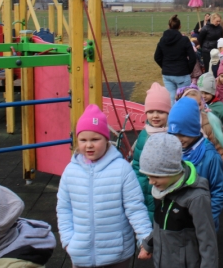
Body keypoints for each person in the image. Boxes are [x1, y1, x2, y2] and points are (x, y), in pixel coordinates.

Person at [57, 104, 152, 268]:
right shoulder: (70, 171)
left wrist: (145, 238)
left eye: (95, 139)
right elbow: (64, 208)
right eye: (83, 140)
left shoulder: (121, 169)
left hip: (117, 253)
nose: (89, 145)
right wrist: (68, 241)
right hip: (81, 253)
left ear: (106, 140)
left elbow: (135, 206)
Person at [139, 133, 219, 267]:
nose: (151, 182)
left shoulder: (196, 197)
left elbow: (207, 241)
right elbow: (159, 225)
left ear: (172, 170)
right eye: (148, 176)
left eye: (156, 176)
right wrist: (148, 244)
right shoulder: (161, 189)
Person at [167, 97, 223, 231]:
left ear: (194, 129)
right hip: (179, 223)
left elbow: (219, 193)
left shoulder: (210, 157)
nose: (178, 139)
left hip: (202, 225)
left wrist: (206, 221)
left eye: (183, 134)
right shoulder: (173, 151)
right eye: (174, 134)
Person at [132, 82, 172, 221]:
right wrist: (138, 186)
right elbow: (137, 164)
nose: (155, 116)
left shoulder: (172, 134)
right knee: (149, 216)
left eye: (160, 112)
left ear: (168, 112)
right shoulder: (144, 136)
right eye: (150, 112)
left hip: (167, 186)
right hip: (147, 186)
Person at [182, 88, 223, 175]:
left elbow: (218, 146)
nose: (197, 108)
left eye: (199, 104)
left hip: (209, 166)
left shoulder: (207, 122)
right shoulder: (181, 124)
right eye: (193, 105)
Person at [154, 14, 197, 105]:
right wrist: (188, 70)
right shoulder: (184, 40)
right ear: (180, 26)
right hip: (182, 73)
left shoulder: (162, 40)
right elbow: (192, 57)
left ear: (168, 26)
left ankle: (173, 113)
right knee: (184, 98)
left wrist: (165, 66)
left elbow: (157, 57)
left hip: (167, 74)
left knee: (171, 99)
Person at [198, 72, 223, 137]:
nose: (203, 96)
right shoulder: (197, 105)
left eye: (207, 93)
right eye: (201, 93)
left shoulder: (221, 108)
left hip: (217, 138)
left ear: (213, 92)